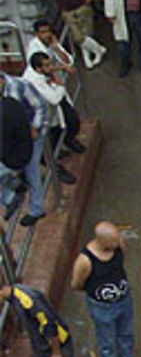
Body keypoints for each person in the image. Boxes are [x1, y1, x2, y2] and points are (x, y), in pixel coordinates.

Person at [71, 221, 141, 357]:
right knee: (107, 342)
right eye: (113, 240)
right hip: (102, 307)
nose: (118, 242)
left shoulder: (117, 246)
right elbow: (76, 284)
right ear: (101, 241)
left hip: (123, 299)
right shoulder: (85, 260)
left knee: (126, 334)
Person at [23, 53, 81, 186]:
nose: (51, 67)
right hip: (38, 122)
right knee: (47, 150)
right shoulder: (34, 81)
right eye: (47, 65)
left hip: (47, 117)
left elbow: (48, 69)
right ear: (38, 69)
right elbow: (54, 99)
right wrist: (59, 85)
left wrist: (60, 68)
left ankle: (56, 152)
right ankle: (57, 171)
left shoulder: (37, 70)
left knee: (58, 135)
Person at [0, 283, 76, 357]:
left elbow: (48, 324)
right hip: (42, 346)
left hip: (57, 345)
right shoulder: (14, 297)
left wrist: (56, 353)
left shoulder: (27, 300)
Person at [0, 71, 48, 227]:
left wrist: (35, 127)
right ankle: (12, 194)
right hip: (12, 139)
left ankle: (36, 209)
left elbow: (40, 105)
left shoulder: (19, 86)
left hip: (31, 135)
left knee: (31, 170)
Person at [0, 93, 33, 226]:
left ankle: (10, 197)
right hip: (21, 147)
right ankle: (13, 187)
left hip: (17, 156)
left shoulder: (3, 116)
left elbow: (2, 148)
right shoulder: (9, 102)